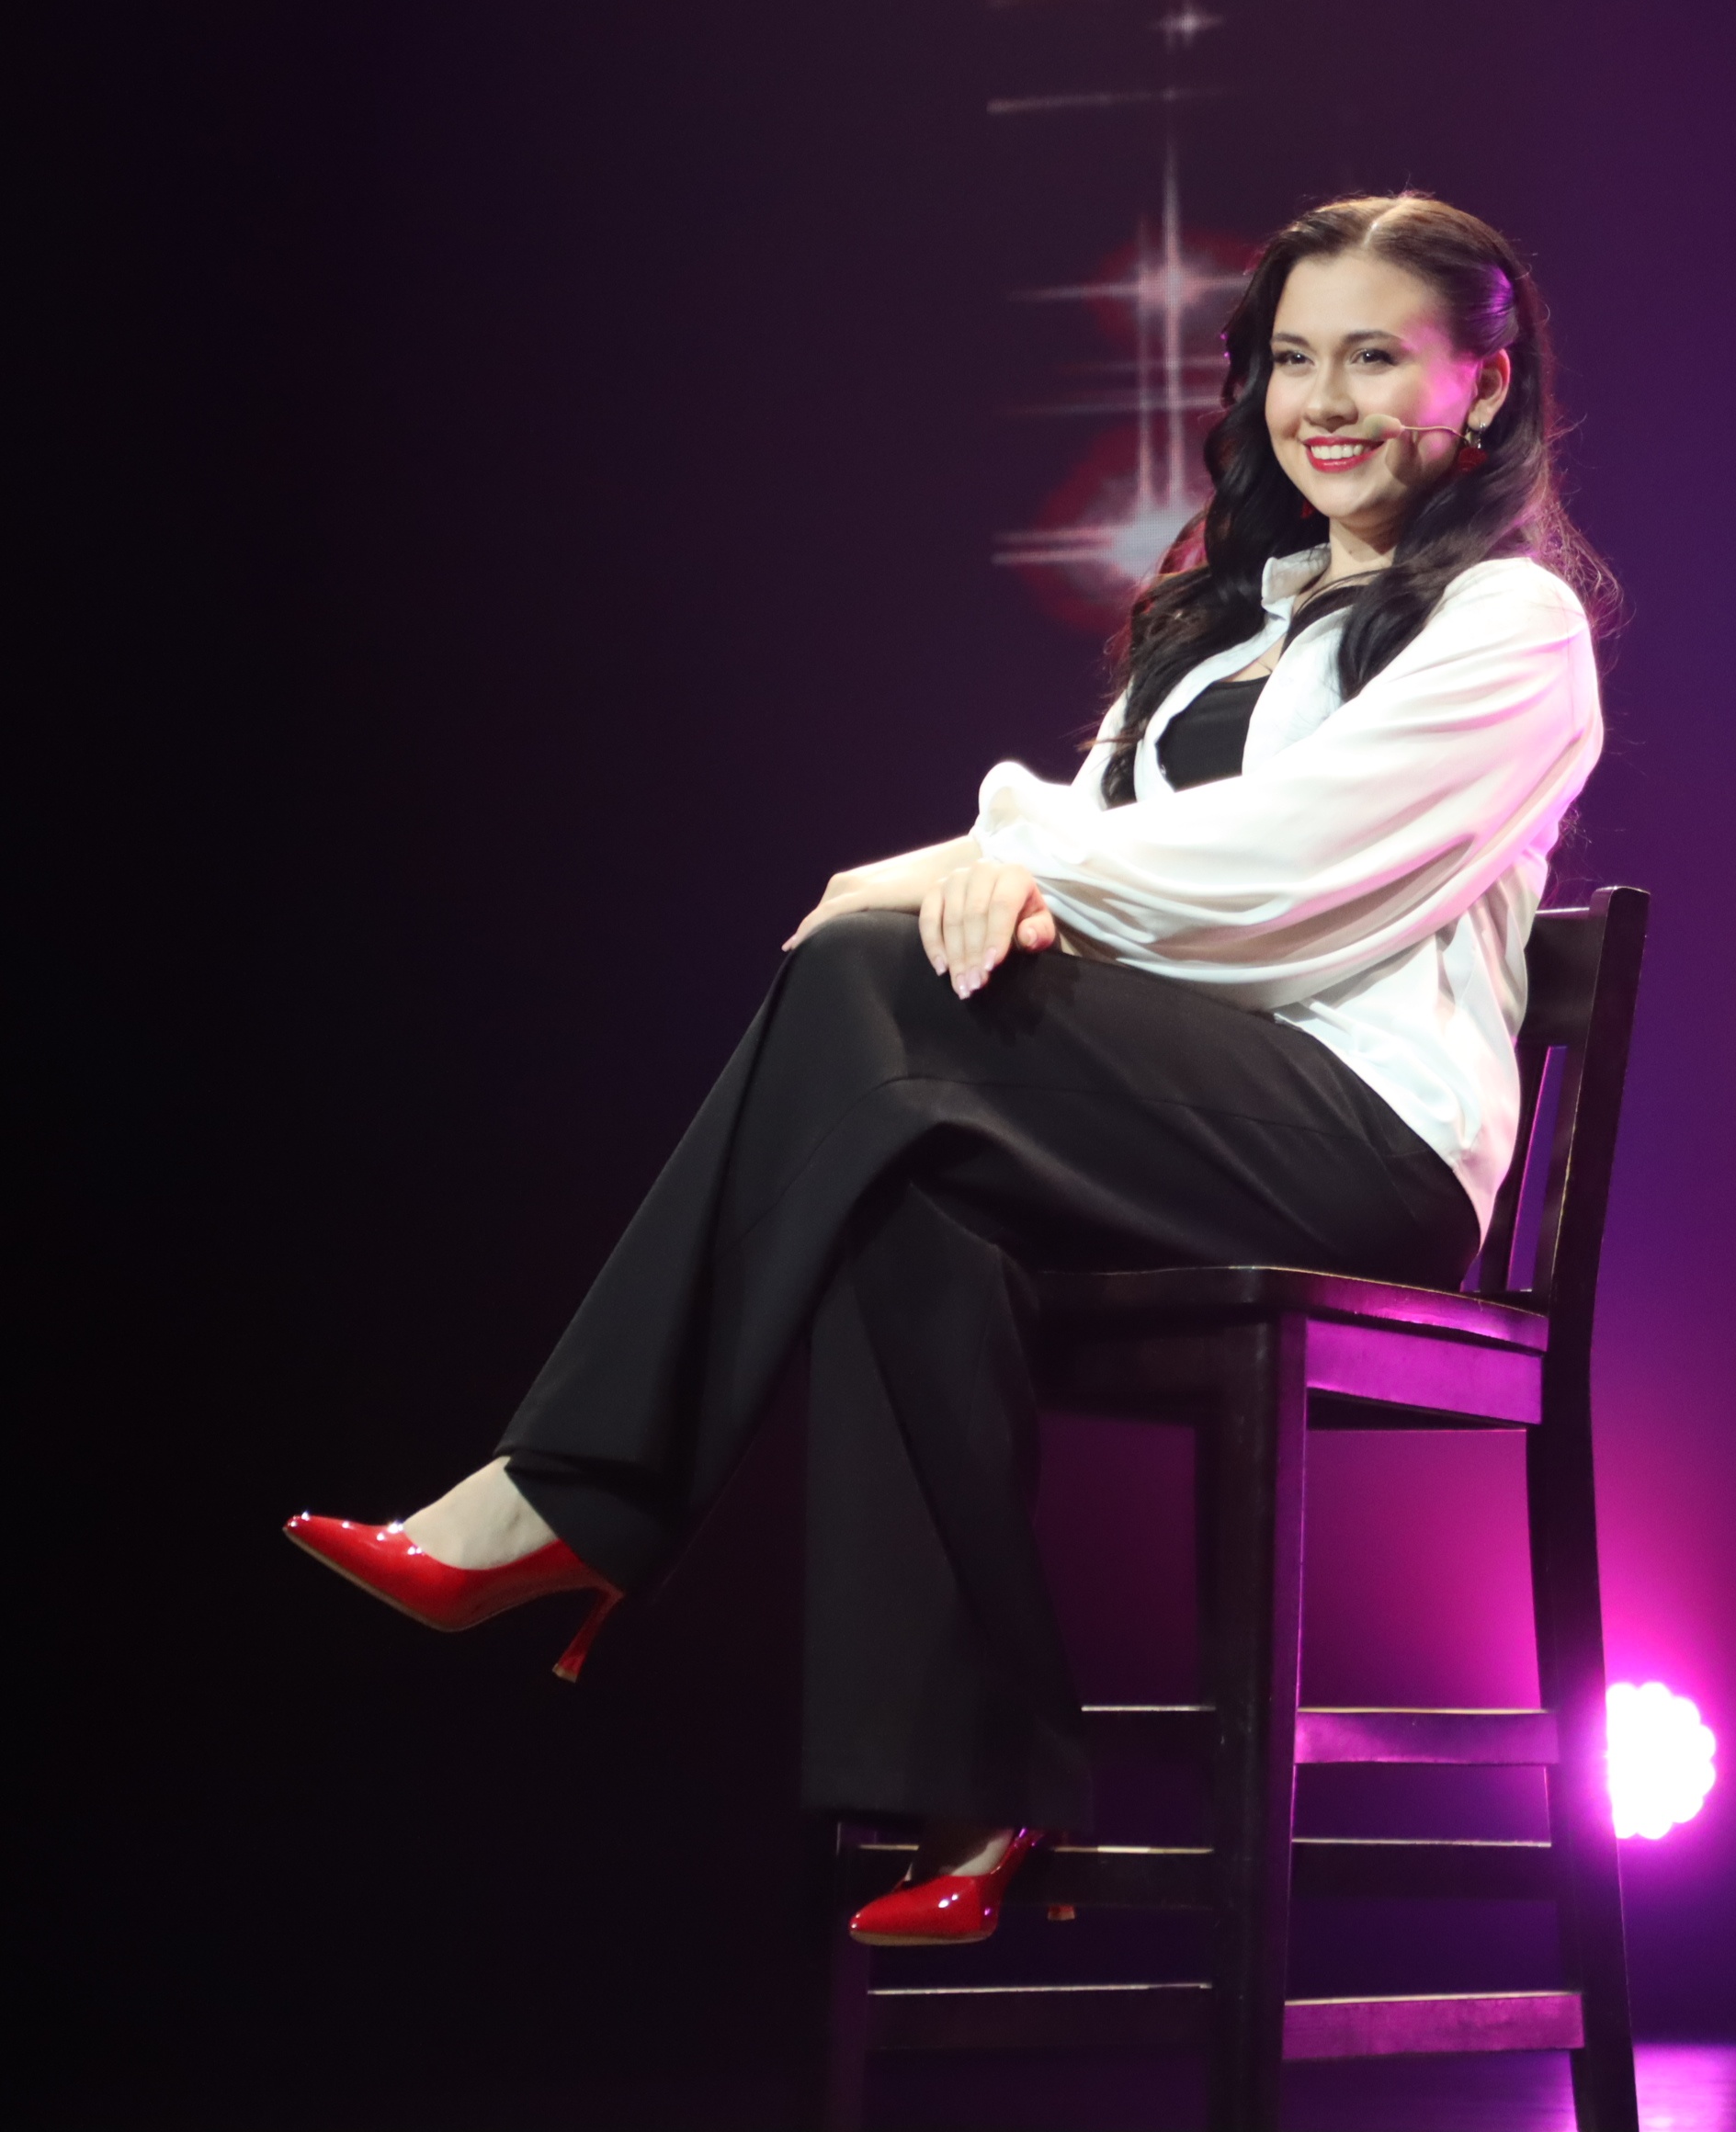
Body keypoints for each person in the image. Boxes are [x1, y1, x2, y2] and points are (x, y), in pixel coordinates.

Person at [285, 193, 1610, 1948]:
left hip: (1359, 1147)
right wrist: (996, 871)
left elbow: (1283, 882)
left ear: (1483, 384)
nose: (1325, 401)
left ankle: (575, 1496)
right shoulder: (1222, 621)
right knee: (899, 1197)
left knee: (864, 972)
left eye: (1376, 355)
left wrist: (981, 876)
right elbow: (1097, 849)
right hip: (1156, 1116)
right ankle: (979, 1794)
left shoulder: (1513, 626)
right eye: (1296, 358)